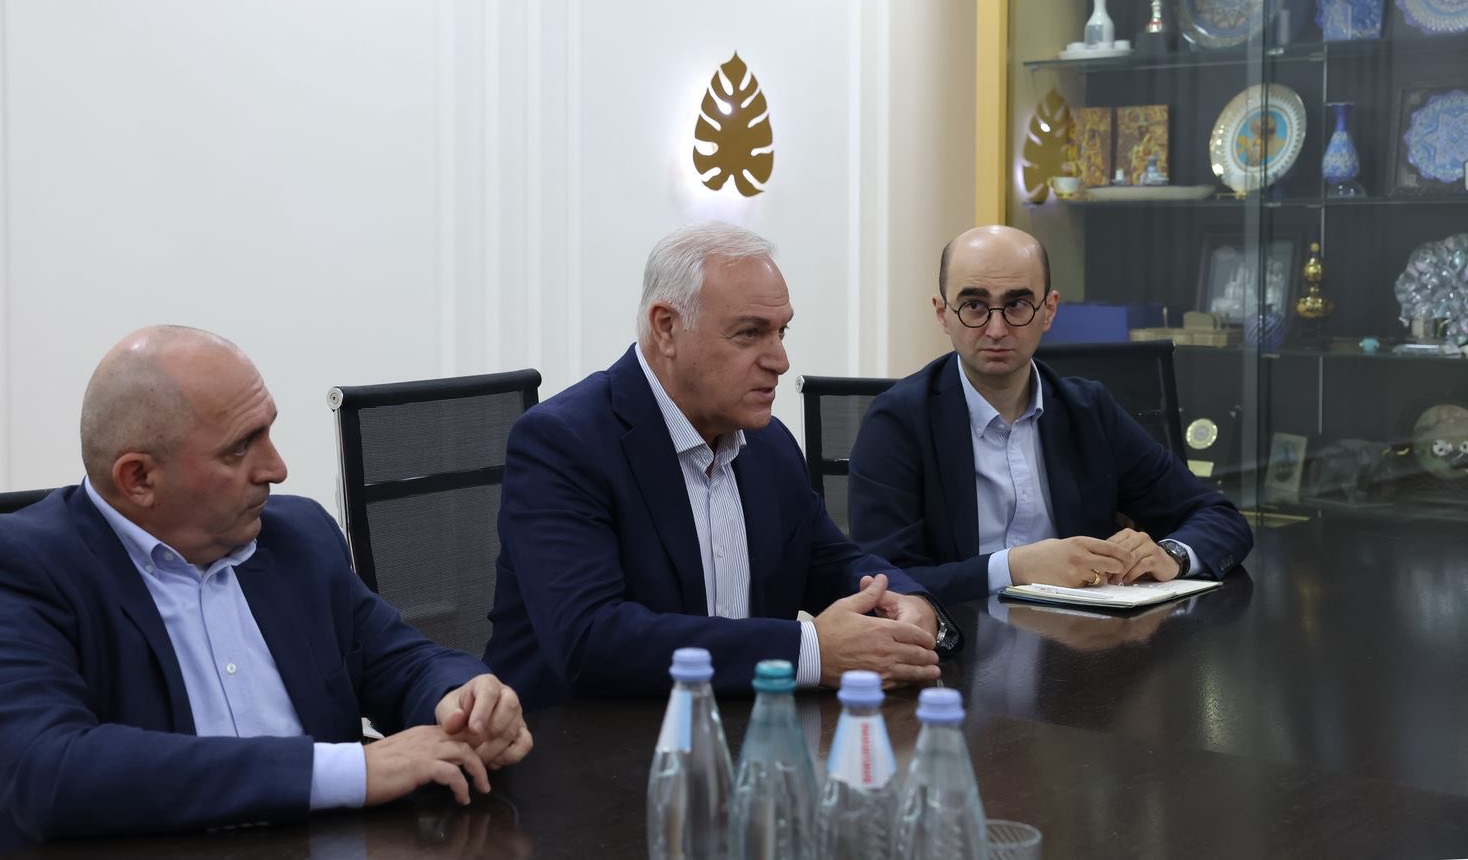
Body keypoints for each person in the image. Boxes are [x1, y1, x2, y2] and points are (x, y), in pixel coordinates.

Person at [0, 326, 533, 860]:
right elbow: (50, 772)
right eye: (240, 447)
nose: (276, 468)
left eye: (268, 431)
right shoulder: (15, 568)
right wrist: (353, 770)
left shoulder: (295, 537)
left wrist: (461, 699)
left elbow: (399, 660)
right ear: (138, 478)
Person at [482, 222, 959, 710]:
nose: (780, 360)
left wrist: (910, 602)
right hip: (580, 741)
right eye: (750, 333)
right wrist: (809, 652)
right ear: (666, 327)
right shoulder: (563, 442)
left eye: (781, 331)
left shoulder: (769, 444)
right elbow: (590, 639)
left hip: (740, 728)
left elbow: (832, 562)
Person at [847, 225, 1252, 604]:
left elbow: (1219, 518)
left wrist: (1172, 555)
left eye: (1017, 305)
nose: (996, 329)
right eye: (974, 306)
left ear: (1049, 310)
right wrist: (1013, 568)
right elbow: (881, 579)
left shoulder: (1089, 410)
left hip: (1082, 640)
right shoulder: (898, 421)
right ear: (942, 314)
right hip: (957, 640)